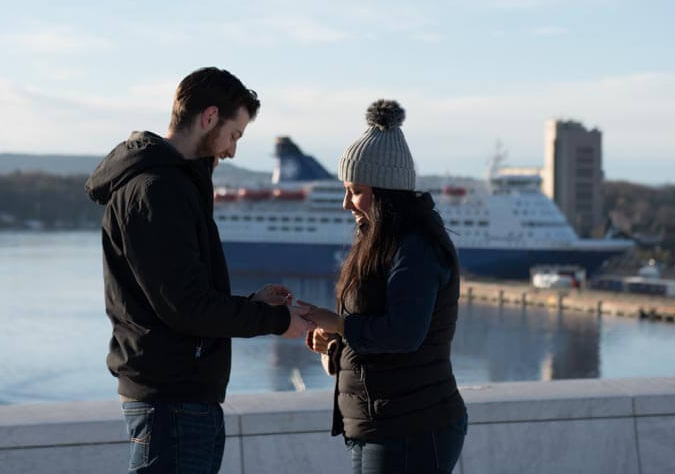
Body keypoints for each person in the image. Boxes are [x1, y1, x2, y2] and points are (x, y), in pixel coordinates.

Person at [85, 67, 313, 474]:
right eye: (234, 134)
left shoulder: (171, 184)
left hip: (177, 397)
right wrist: (276, 320)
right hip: (172, 402)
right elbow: (186, 307)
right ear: (209, 117)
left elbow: (182, 297)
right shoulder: (158, 190)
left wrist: (250, 304)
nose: (232, 151)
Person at [299, 99, 468, 474]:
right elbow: (381, 336)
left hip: (411, 425)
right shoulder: (380, 242)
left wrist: (340, 323)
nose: (346, 204)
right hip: (378, 422)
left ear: (385, 191)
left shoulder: (416, 249)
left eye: (355, 190)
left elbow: (405, 334)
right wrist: (334, 346)